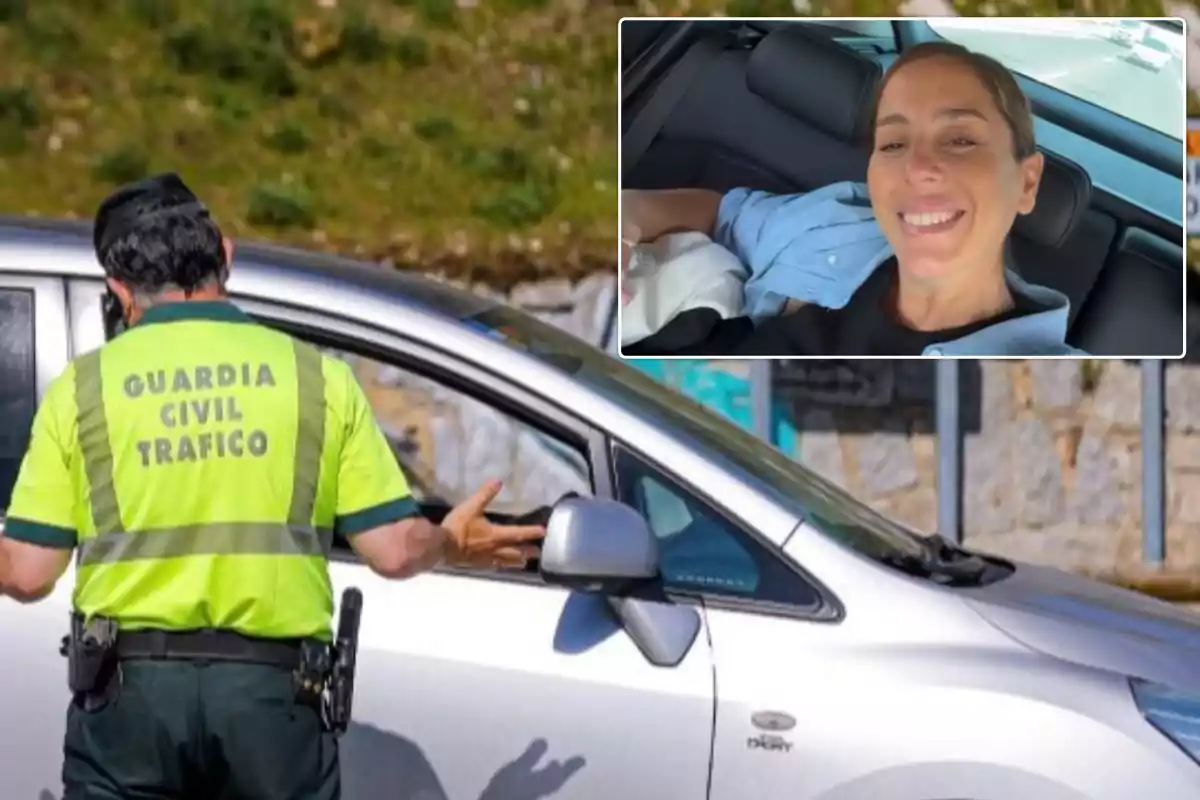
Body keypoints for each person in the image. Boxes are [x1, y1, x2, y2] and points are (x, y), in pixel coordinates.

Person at [0, 173, 547, 800]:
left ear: (118, 289)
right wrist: (451, 541)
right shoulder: (316, 379)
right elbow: (395, 550)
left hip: (130, 704)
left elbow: (26, 572)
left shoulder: (81, 389)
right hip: (273, 704)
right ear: (225, 257)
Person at [621, 41, 1083, 357]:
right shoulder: (839, 221)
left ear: (1026, 183)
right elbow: (720, 212)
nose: (917, 169)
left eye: (960, 139)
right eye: (894, 144)